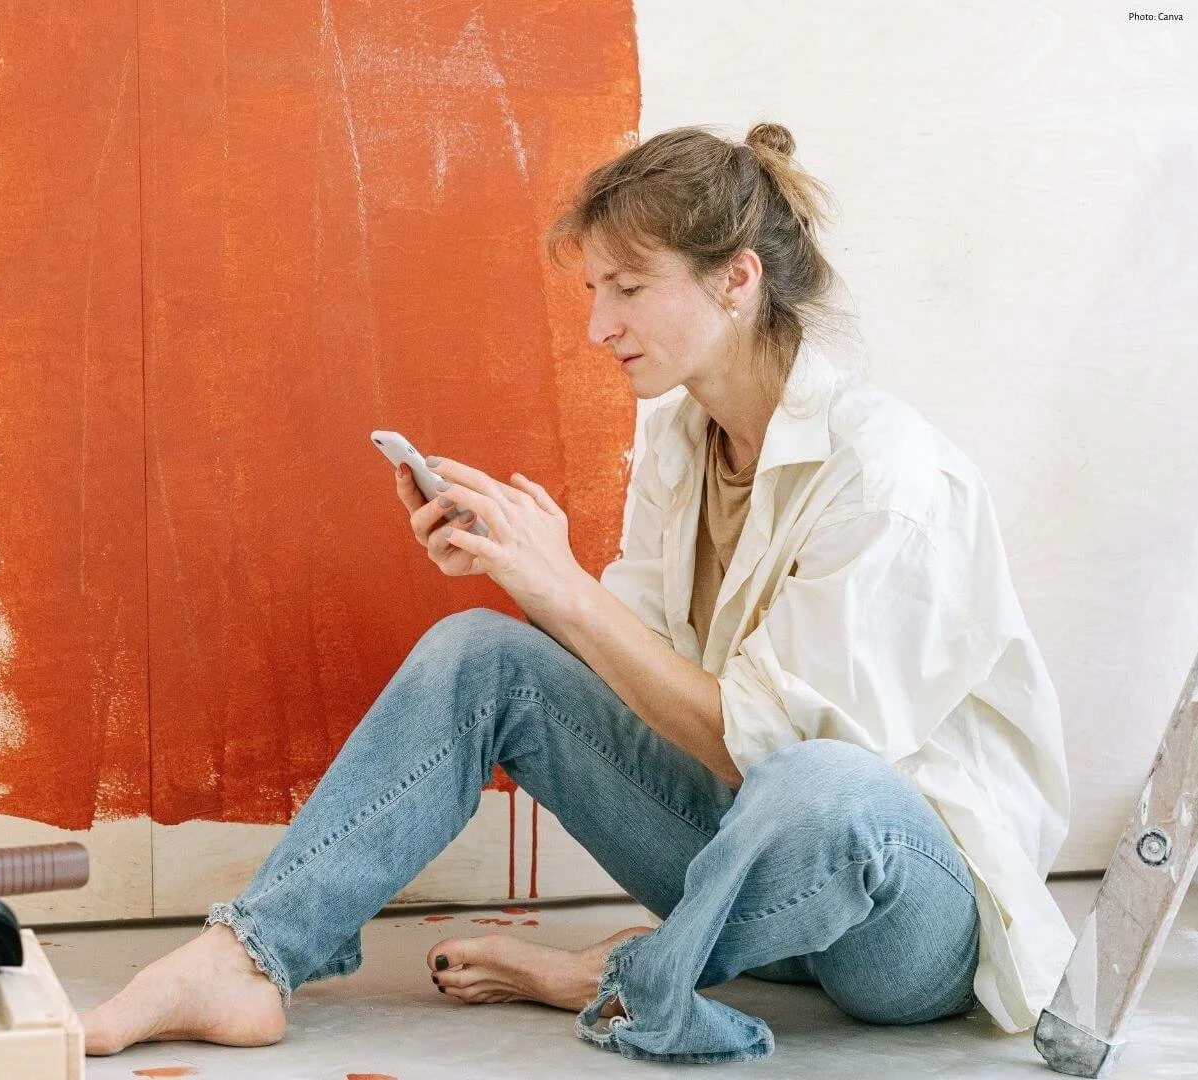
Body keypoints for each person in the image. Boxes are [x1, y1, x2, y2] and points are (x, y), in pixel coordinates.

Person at [80, 122, 1074, 1063]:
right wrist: (520, 575)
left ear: (737, 281)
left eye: (629, 288)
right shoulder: (684, 442)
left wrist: (565, 587)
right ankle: (245, 959)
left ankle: (629, 976)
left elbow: (771, 757)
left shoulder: (893, 481)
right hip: (744, 865)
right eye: (596, 288)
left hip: (901, 923)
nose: (599, 325)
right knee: (482, 653)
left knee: (821, 781)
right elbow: (633, 686)